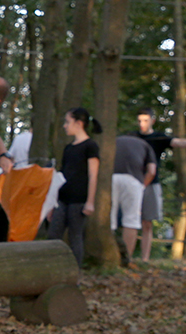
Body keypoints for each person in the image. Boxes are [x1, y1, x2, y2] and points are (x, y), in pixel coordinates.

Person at [128, 108, 186, 262]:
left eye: (145, 120)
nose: (142, 124)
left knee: (147, 223)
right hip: (131, 183)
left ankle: (145, 259)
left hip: (151, 184)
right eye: (140, 120)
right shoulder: (131, 137)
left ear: (152, 121)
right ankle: (128, 257)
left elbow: (177, 142)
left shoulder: (158, 137)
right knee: (130, 221)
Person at [46, 108, 100, 265]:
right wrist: (52, 203)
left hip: (79, 199)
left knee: (75, 237)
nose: (64, 126)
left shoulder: (90, 146)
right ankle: (51, 270)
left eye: (67, 122)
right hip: (62, 198)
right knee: (53, 234)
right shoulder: (68, 148)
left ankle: (74, 273)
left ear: (79, 123)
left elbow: (93, 174)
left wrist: (90, 201)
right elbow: (61, 177)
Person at [111, 134, 157, 260]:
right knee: (131, 220)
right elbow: (152, 171)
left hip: (111, 178)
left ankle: (108, 256)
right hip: (133, 180)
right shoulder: (145, 145)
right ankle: (127, 259)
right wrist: (142, 186)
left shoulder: (113, 141)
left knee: (109, 219)